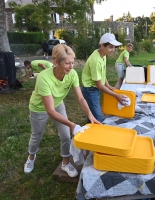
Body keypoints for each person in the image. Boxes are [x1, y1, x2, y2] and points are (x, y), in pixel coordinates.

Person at [23, 44, 101, 176]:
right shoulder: (43, 78)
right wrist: (72, 124)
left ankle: (65, 163)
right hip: (39, 108)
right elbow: (50, 110)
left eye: (72, 62)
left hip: (58, 104)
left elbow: (81, 99)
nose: (71, 66)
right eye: (67, 63)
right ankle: (31, 158)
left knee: (65, 135)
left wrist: (90, 114)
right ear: (55, 62)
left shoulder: (72, 74)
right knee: (37, 135)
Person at [81, 33, 127, 122]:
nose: (113, 50)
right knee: (99, 118)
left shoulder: (102, 55)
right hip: (90, 90)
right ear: (102, 46)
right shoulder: (96, 61)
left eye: (114, 47)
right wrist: (116, 95)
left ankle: (89, 131)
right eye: (110, 47)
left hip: (94, 88)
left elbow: (102, 72)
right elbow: (99, 85)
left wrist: (108, 85)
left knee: (92, 113)